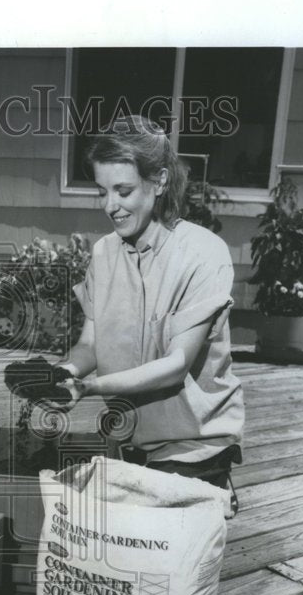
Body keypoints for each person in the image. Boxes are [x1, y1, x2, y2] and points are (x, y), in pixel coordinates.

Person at [52, 115, 244, 514]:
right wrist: (65, 374)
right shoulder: (104, 254)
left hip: (195, 449)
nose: (110, 206)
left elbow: (175, 365)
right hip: (130, 443)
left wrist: (90, 388)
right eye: (102, 191)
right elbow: (90, 343)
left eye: (123, 190)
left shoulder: (203, 253)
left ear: (158, 182)